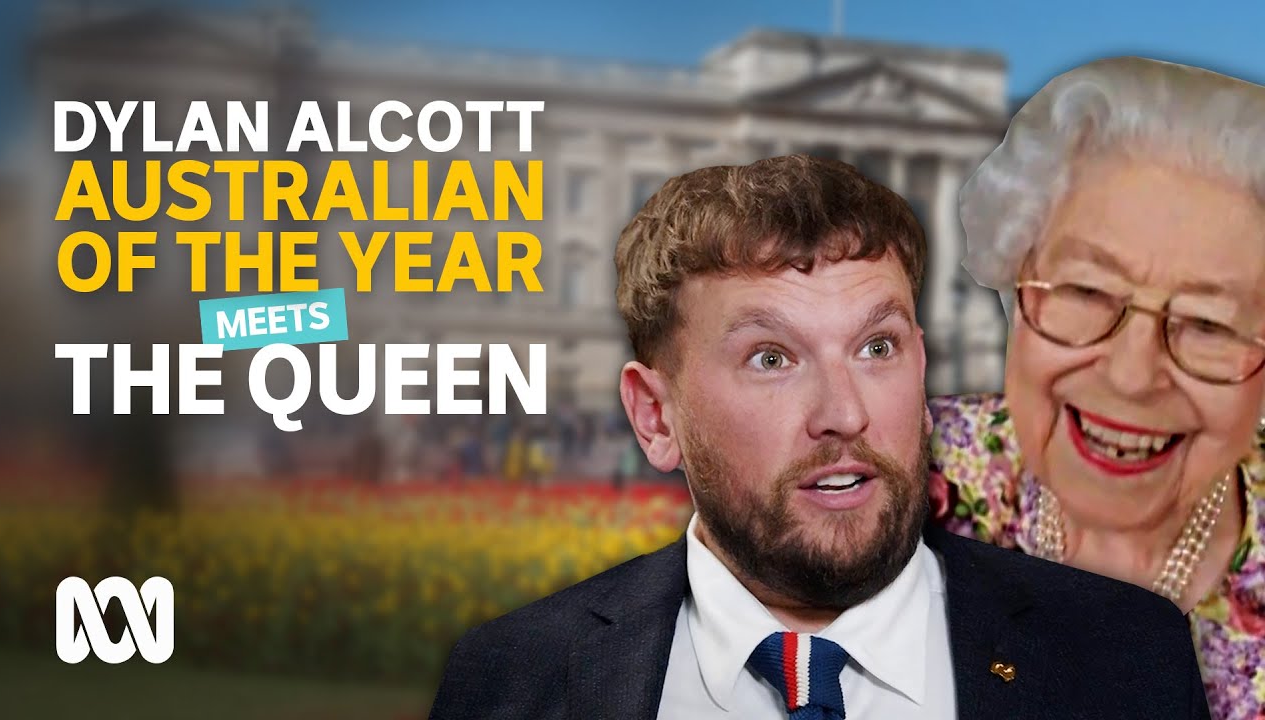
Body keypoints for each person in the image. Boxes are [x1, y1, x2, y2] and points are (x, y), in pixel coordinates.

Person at [429, 155, 1210, 719]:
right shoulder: (511, 680)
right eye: (771, 358)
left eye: (877, 348)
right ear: (655, 417)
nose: (844, 412)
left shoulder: (1127, 659)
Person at [927, 57, 1265, 720]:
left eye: (1208, 323)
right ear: (1012, 277)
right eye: (1085, 291)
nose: (1131, 376)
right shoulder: (899, 471)